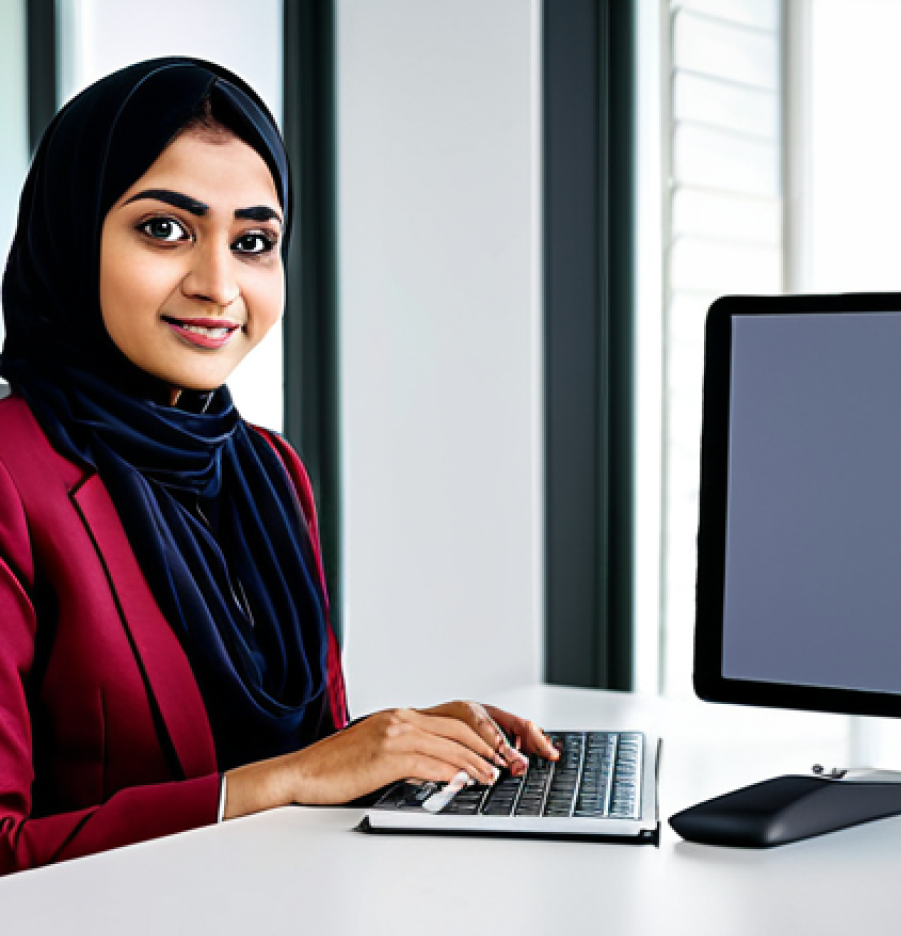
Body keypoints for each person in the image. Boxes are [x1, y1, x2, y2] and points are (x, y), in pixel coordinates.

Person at [0, 56, 556, 875]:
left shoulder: (267, 470)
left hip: (287, 920)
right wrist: (292, 779)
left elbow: (305, 752)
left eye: (254, 242)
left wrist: (401, 749)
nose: (217, 285)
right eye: (165, 229)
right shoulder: (13, 475)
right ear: (74, 236)